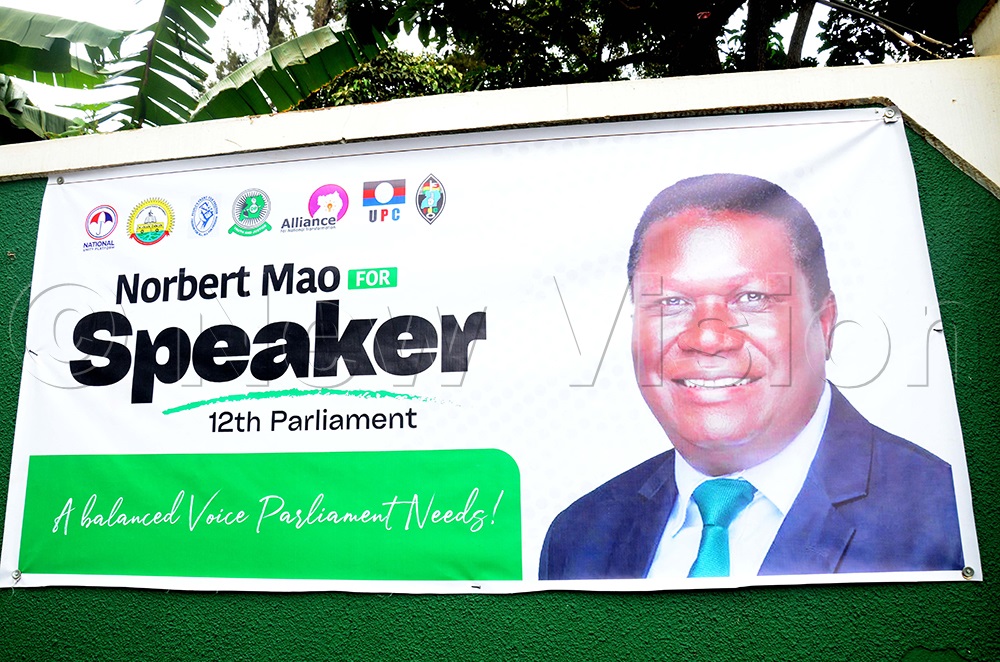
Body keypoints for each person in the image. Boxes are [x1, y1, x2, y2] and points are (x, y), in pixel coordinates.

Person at [539, 173, 963, 580]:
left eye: (751, 298)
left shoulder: (947, 516)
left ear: (825, 324)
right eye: (670, 302)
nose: (707, 337)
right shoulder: (578, 537)